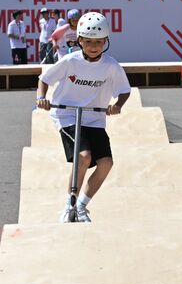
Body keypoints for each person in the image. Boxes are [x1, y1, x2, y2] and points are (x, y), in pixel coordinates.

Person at [35, 12, 132, 223]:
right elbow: (44, 79)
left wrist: (118, 105)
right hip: (67, 113)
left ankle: (81, 206)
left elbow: (125, 90)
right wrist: (41, 98)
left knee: (106, 163)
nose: (94, 46)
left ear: (106, 41)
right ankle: (68, 205)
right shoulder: (70, 61)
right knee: (84, 157)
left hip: (94, 118)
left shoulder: (111, 66)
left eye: (98, 42)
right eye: (88, 42)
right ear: (79, 40)